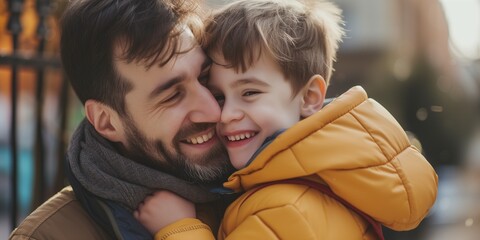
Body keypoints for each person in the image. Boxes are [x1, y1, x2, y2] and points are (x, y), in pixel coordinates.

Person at [134, 0, 439, 239]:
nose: (226, 115)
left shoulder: (283, 208)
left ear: (309, 98)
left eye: (250, 92)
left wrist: (180, 228)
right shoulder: (322, 178)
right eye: (219, 96)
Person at [9, 0, 236, 239]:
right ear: (106, 122)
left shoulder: (260, 183)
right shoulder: (48, 236)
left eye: (204, 77)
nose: (214, 111)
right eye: (172, 96)